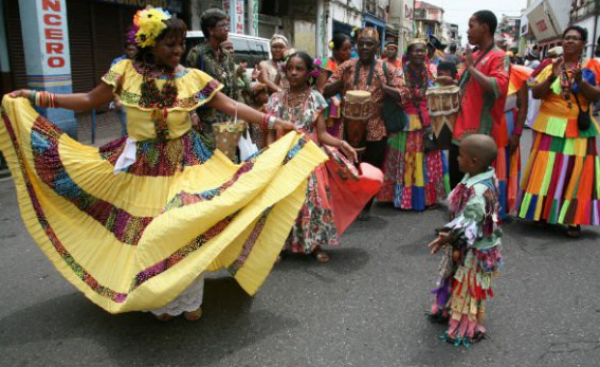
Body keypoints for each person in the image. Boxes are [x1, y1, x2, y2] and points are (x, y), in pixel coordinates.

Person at [1, 7, 326, 320]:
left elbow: (231, 106)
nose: (178, 50)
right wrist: (36, 97)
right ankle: (157, 301)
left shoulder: (192, 78)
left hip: (188, 165)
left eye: (181, 44)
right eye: (170, 44)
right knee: (146, 235)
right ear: (149, 44)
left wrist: (274, 122)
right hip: (140, 168)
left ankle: (188, 300)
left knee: (186, 228)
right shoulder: (124, 73)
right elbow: (88, 100)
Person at [267, 52, 381, 263]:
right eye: (290, 68)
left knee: (313, 203)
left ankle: (314, 244)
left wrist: (341, 143)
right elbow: (270, 134)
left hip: (310, 157)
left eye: (299, 69)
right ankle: (281, 245)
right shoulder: (275, 99)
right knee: (283, 202)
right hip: (283, 158)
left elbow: (321, 134)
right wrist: (270, 157)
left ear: (309, 73)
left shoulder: (316, 98)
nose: (293, 72)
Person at [518, 26, 600, 238]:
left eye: (576, 38)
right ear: (562, 42)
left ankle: (573, 219)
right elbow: (536, 93)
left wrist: (581, 82)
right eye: (567, 38)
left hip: (578, 128)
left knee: (577, 172)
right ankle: (541, 212)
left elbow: (594, 97)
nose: (571, 41)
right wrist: (551, 77)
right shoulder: (550, 65)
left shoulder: (593, 66)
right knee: (546, 170)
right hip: (549, 125)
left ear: (583, 43)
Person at [427, 134, 503, 347]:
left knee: (469, 285)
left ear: (474, 161)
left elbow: (469, 222)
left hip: (477, 247)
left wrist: (448, 236)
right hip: (468, 242)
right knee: (453, 274)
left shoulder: (479, 191)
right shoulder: (481, 175)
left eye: (460, 155)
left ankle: (464, 327)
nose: (457, 159)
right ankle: (448, 307)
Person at [323, 27, 404, 220]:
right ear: (356, 47)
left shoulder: (387, 68)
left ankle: (365, 206)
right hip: (348, 127)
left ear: (377, 47)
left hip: (376, 127)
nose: (365, 47)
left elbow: (404, 94)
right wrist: (340, 82)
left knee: (371, 167)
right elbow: (325, 90)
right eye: (361, 44)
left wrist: (384, 87)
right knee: (347, 167)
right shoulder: (347, 66)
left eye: (369, 44)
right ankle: (349, 204)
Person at [377, 38, 449, 211]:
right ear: (408, 54)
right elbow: (395, 95)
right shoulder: (399, 72)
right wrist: (386, 89)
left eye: (422, 50)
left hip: (426, 120)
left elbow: (435, 93)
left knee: (426, 159)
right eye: (416, 50)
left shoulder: (431, 72)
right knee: (406, 160)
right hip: (406, 122)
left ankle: (427, 198)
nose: (419, 53)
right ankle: (399, 197)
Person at [449, 10, 510, 189]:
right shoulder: (474, 55)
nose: (467, 31)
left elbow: (497, 86)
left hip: (480, 134)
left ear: (485, 27)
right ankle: (457, 216)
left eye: (471, 26)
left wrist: (471, 69)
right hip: (459, 129)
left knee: (474, 188)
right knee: (457, 183)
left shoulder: (499, 56)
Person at [186, 9, 241, 136]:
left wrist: (240, 114)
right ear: (210, 30)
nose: (227, 29)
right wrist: (192, 113)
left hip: (229, 120)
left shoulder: (227, 55)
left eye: (227, 25)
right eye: (222, 25)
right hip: (206, 123)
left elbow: (234, 88)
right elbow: (188, 87)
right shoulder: (197, 54)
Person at [492, 64, 531, 219]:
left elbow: (523, 106)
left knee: (503, 164)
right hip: (485, 122)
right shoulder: (482, 68)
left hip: (506, 124)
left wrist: (517, 132)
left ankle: (500, 208)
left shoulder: (517, 74)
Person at [317, 33, 352, 139]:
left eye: (350, 48)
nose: (348, 52)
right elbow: (321, 88)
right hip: (329, 106)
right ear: (335, 50)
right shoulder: (326, 63)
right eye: (344, 49)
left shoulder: (350, 64)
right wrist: (334, 99)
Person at [110, 39, 138, 137]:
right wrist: (116, 99)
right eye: (129, 49)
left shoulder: (142, 62)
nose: (131, 52)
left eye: (133, 50)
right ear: (125, 50)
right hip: (122, 99)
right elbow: (112, 81)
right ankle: (125, 149)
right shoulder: (117, 62)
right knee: (128, 129)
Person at [246, 81, 269, 148]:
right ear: (256, 97)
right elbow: (249, 128)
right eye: (263, 94)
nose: (267, 95)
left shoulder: (267, 108)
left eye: (267, 93)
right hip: (255, 141)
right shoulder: (250, 109)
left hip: (266, 138)